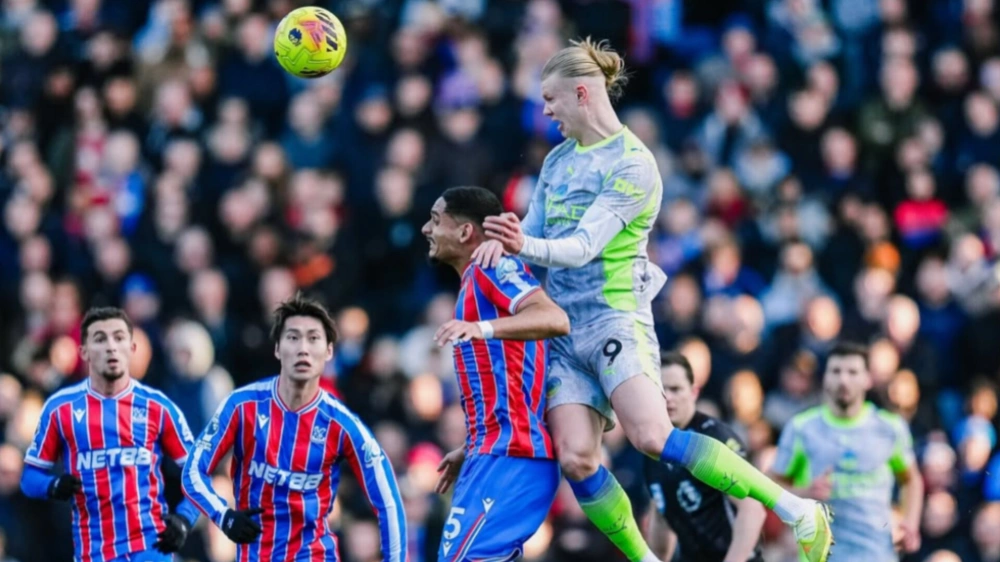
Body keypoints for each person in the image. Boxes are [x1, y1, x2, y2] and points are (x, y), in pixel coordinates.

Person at [474, 37, 833, 562]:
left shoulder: (634, 165)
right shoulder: (555, 162)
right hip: (560, 329)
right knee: (575, 458)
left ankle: (796, 509)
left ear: (580, 93)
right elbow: (534, 237)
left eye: (550, 99)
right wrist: (497, 245)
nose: (545, 110)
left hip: (614, 320)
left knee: (652, 436)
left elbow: (581, 247)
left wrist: (521, 243)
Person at [181, 295, 406, 561]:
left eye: (313, 339)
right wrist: (224, 516)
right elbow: (193, 471)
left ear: (329, 351)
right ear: (277, 348)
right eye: (293, 338)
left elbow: (388, 501)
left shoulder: (341, 423)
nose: (303, 349)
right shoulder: (241, 406)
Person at [423, 186, 568, 560]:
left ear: (465, 232)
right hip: (488, 453)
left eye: (436, 220)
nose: (426, 229)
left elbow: (554, 318)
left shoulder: (493, 267)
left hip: (514, 456)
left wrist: (482, 328)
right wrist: (470, 446)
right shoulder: (473, 281)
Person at [20, 307, 199, 562]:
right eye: (100, 339)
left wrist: (183, 519)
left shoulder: (159, 407)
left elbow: (198, 475)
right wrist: (53, 485)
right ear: (83, 352)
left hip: (151, 548)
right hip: (94, 551)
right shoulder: (60, 408)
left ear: (132, 349)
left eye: (118, 338)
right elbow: (29, 477)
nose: (111, 347)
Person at [770, 342, 924, 561]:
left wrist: (911, 521)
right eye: (836, 371)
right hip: (818, 555)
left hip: (876, 553)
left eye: (852, 372)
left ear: (867, 378)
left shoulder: (890, 428)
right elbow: (771, 486)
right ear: (825, 378)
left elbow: (911, 479)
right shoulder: (801, 428)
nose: (843, 380)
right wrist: (806, 492)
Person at [644, 352, 766, 562]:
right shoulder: (652, 447)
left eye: (675, 389)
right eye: (661, 390)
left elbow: (752, 508)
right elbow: (661, 514)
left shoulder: (713, 439)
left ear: (694, 392)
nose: (668, 397)